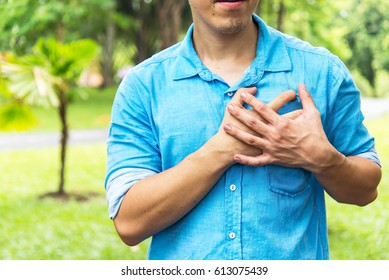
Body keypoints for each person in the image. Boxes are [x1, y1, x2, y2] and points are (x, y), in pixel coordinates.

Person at [105, 0, 382, 260]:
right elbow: (130, 223)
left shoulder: (323, 73)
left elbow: (366, 189)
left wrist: (322, 159)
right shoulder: (143, 86)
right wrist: (222, 149)